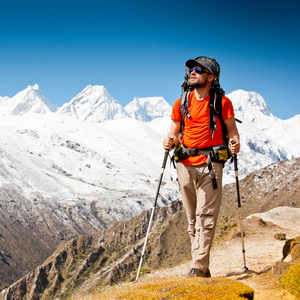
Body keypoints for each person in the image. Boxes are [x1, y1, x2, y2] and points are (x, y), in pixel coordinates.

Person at [163, 56, 240, 278]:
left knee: (205, 215)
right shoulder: (181, 103)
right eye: (190, 69)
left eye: (198, 69)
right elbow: (174, 133)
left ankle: (198, 265)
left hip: (211, 165)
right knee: (192, 218)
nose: (192, 72)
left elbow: (232, 131)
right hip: (184, 164)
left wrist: (235, 142)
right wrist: (170, 141)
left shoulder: (222, 103)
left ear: (211, 77)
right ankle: (201, 264)